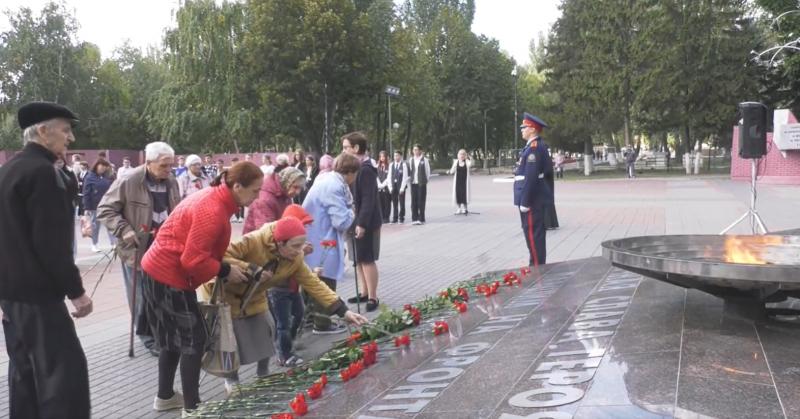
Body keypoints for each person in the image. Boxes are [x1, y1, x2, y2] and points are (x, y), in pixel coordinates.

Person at [140, 161, 263, 415]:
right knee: (193, 340)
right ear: (237, 186)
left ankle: (165, 397)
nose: (257, 196)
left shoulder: (215, 197)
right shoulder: (213, 209)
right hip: (168, 275)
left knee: (171, 341)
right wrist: (226, 271)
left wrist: (224, 266)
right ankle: (193, 408)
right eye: (255, 190)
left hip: (159, 270)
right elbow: (192, 260)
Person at [0, 101, 92, 418]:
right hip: (40, 298)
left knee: (24, 375)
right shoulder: (42, 174)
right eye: (65, 130)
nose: (71, 139)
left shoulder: (8, 171)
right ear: (43, 131)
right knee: (63, 379)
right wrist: (77, 292)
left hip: (11, 297)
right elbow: (52, 246)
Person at [202, 216, 367, 388]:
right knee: (229, 342)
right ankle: (232, 381)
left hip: (255, 297)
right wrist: (251, 269)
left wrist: (344, 311)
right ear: (280, 243)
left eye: (301, 245)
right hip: (226, 294)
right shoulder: (253, 241)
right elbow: (220, 256)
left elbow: (314, 284)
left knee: (267, 329)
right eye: (295, 246)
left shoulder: (295, 259)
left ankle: (263, 373)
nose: (299, 251)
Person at [98, 141, 181, 357]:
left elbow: (177, 209)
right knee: (142, 295)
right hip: (138, 247)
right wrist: (123, 229)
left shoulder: (171, 181)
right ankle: (148, 336)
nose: (168, 170)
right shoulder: (129, 179)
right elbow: (105, 209)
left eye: (170, 165)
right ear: (149, 162)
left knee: (163, 293)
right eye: (164, 166)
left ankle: (164, 331)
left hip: (164, 248)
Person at [303, 153, 360, 333]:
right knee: (325, 278)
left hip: (317, 235)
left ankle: (310, 319)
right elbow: (341, 221)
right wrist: (352, 212)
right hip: (321, 238)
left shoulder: (328, 179)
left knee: (313, 277)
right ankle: (322, 323)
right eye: (355, 174)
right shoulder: (334, 186)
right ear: (350, 172)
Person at [342, 132, 382, 311]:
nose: (343, 151)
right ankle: (364, 292)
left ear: (356, 148)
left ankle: (373, 296)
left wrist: (362, 223)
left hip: (366, 221)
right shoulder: (355, 167)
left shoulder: (365, 170)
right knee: (358, 259)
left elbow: (368, 199)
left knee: (367, 259)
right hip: (355, 220)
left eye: (346, 147)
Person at [514, 112, 553, 267]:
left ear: (532, 129)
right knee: (531, 234)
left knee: (533, 235)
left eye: (524, 127)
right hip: (532, 197)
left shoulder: (534, 149)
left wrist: (525, 200)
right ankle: (536, 264)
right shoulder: (531, 147)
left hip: (531, 199)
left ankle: (537, 267)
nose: (522, 130)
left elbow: (531, 176)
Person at [243, 166, 305, 234]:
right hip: (257, 242)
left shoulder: (285, 192)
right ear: (286, 182)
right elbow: (265, 232)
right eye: (295, 187)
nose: (298, 192)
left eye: (300, 188)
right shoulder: (265, 199)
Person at [82, 158, 117, 252]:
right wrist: (86, 208)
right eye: (101, 166)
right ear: (96, 165)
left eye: (105, 166)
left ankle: (114, 243)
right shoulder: (90, 177)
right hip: (94, 206)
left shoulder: (108, 176)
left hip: (108, 205)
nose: (103, 168)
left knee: (110, 225)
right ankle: (95, 244)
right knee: (95, 226)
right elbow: (86, 193)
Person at [409, 144, 431, 225]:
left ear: (420, 151)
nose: (415, 151)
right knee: (413, 201)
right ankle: (414, 218)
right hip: (413, 183)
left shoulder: (424, 160)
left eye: (416, 150)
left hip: (421, 183)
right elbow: (410, 171)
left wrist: (425, 181)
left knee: (421, 201)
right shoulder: (411, 160)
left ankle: (421, 218)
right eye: (414, 150)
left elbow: (428, 172)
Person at [388, 150, 410, 224]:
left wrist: (402, 188)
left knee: (401, 202)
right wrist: (390, 187)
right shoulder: (391, 165)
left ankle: (401, 217)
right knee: (394, 203)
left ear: (400, 156)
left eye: (397, 155)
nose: (395, 157)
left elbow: (405, 177)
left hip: (401, 186)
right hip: (393, 186)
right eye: (394, 156)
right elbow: (389, 176)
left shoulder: (403, 165)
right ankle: (395, 218)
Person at [447, 149, 472, 215]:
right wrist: (449, 171)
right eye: (460, 154)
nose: (462, 155)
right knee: (458, 194)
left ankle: (465, 208)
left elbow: (470, 164)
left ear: (465, 155)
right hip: (457, 182)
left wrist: (468, 158)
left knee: (465, 194)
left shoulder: (467, 162)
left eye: (463, 154)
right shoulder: (456, 162)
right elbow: (452, 171)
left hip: (465, 182)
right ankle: (459, 208)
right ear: (458, 155)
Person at [543, 146, 559, 230]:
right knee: (548, 204)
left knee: (547, 204)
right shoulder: (547, 159)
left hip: (546, 184)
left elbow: (546, 172)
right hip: (547, 184)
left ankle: (549, 223)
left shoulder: (545, 159)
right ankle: (550, 222)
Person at [376, 151, 391, 223]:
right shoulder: (377, 166)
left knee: (387, 202)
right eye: (381, 156)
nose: (382, 158)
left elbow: (389, 177)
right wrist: (379, 184)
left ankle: (386, 217)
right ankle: (381, 217)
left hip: (386, 187)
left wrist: (383, 184)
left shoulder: (389, 166)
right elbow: (376, 176)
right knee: (380, 202)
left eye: (383, 156)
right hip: (379, 188)